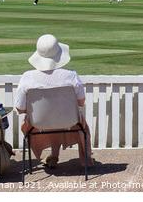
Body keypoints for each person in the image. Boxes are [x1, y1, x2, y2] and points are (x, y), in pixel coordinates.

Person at [14, 34, 94, 168]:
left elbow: (20, 108)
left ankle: (53, 155)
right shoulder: (71, 76)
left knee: (50, 118)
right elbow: (81, 101)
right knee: (67, 120)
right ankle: (84, 158)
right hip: (70, 120)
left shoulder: (27, 77)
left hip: (38, 122)